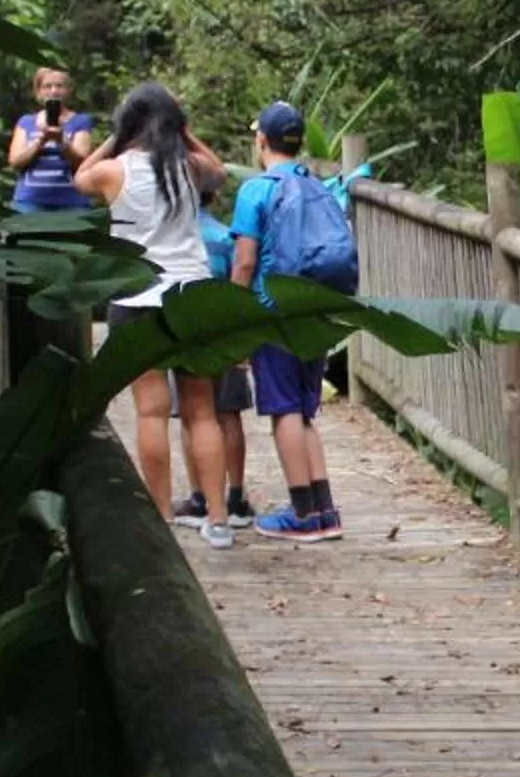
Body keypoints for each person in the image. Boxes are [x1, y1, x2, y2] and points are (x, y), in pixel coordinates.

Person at [72, 83, 236, 543]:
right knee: (201, 410)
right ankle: (219, 520)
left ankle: (161, 517)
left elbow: (78, 178)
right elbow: (220, 173)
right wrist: (187, 134)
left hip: (137, 296)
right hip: (192, 295)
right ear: (174, 126)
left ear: (129, 127)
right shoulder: (189, 167)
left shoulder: (113, 171)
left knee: (151, 412)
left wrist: (114, 137)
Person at [229, 99, 356, 541]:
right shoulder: (316, 184)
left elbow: (244, 263)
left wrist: (233, 318)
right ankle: (324, 511)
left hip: (274, 310)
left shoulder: (256, 190)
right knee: (304, 411)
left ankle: (301, 515)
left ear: (261, 140)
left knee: (283, 409)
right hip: (315, 307)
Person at [171, 198, 256, 534]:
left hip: (189, 331)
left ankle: (200, 497)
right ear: (215, 198)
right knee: (228, 412)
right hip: (224, 329)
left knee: (194, 414)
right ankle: (235, 497)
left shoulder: (177, 238)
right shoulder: (226, 237)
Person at [5, 67, 96, 213]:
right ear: (38, 91)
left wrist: (61, 141)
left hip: (72, 203)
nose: (54, 91)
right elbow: (15, 161)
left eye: (59, 86)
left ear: (68, 90)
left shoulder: (80, 121)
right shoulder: (26, 122)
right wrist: (40, 141)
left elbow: (83, 162)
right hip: (30, 201)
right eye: (47, 86)